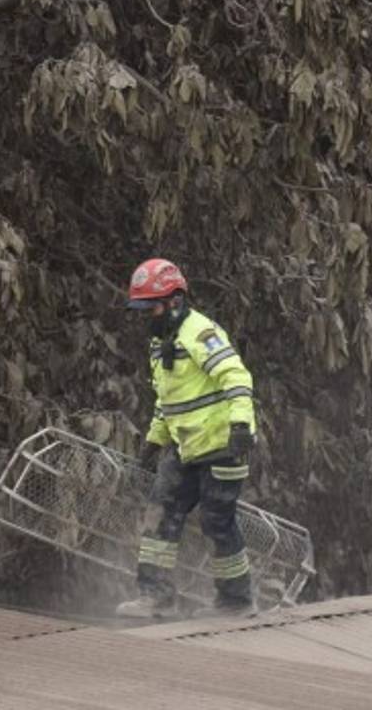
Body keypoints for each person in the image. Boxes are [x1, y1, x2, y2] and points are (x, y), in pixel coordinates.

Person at [115, 258, 258, 618]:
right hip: (184, 447)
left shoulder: (200, 333)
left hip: (223, 445)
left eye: (153, 307)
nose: (148, 315)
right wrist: (152, 442)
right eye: (143, 308)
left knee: (217, 522)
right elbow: (169, 401)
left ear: (175, 301)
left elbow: (236, 376)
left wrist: (241, 426)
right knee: (159, 512)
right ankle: (155, 596)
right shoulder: (161, 342)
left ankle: (236, 601)